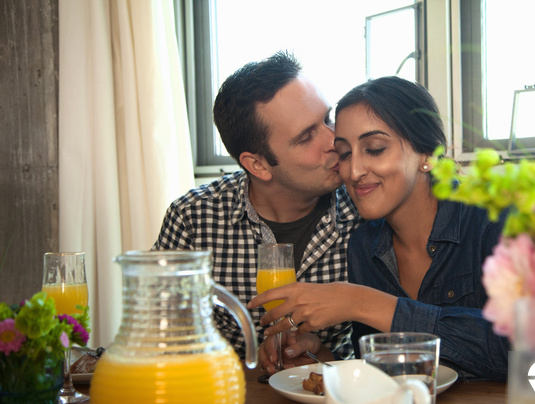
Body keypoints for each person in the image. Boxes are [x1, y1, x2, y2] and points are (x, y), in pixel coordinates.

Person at [253, 76, 509, 381]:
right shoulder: (364, 245)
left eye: (374, 148)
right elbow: (385, 375)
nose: (354, 171)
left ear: (427, 155)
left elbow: (534, 352)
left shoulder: (494, 220)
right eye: (345, 153)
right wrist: (320, 358)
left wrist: (360, 302)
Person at [153, 51, 361, 365]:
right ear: (258, 164)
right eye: (306, 137)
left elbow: (393, 347)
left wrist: (327, 356)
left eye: (327, 118)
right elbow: (161, 345)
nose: (334, 140)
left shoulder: (365, 209)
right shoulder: (192, 221)